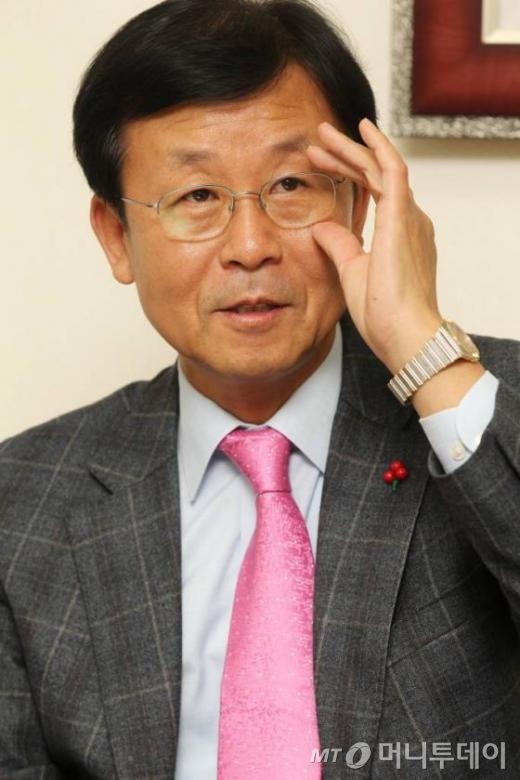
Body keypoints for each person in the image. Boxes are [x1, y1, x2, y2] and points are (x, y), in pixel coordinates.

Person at [1, 0, 519, 777]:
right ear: (116, 237)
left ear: (359, 203)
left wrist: (421, 346)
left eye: (291, 184)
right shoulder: (22, 502)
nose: (251, 246)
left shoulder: (482, 412)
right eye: (197, 197)